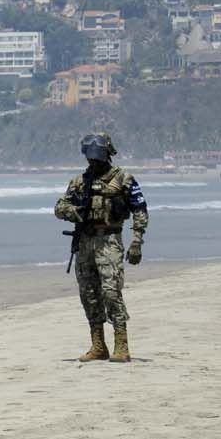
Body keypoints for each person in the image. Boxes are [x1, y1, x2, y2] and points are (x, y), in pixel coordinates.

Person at [54, 133, 149, 363]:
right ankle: (98, 345)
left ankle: (121, 344)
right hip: (85, 242)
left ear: (107, 154)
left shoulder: (123, 179)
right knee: (89, 295)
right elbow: (59, 206)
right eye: (90, 158)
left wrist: (137, 242)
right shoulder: (79, 182)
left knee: (110, 292)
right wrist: (73, 212)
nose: (93, 162)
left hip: (109, 241)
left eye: (97, 158)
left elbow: (140, 209)